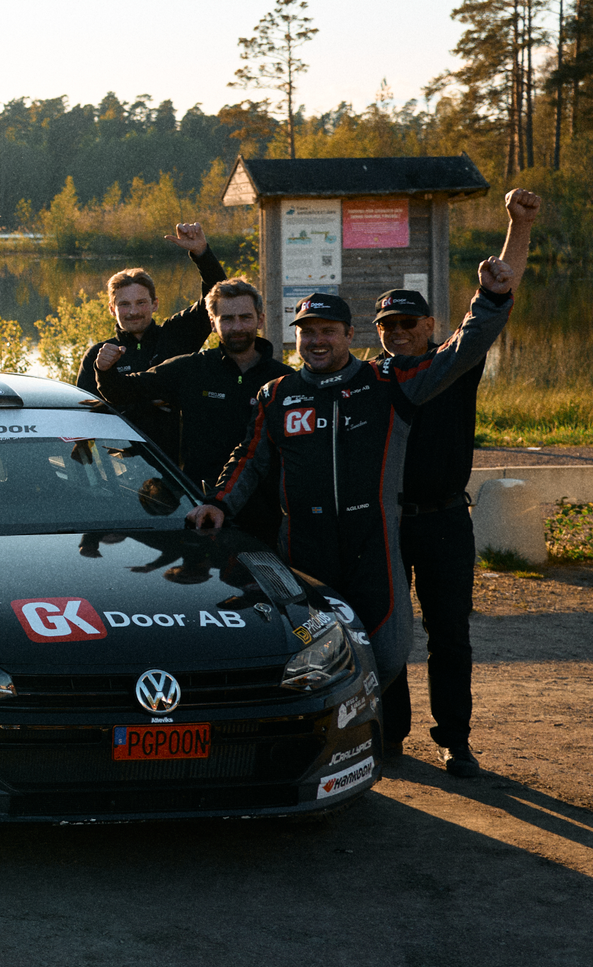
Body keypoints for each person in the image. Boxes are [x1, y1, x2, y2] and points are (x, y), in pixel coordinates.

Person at [192, 211, 528, 764]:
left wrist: (490, 299)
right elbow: (248, 459)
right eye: (307, 332)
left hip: (374, 541)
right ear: (295, 337)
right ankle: (349, 743)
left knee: (388, 649)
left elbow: (461, 351)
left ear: (351, 336)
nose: (317, 341)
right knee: (311, 648)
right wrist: (218, 503)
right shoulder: (278, 394)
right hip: (305, 547)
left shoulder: (387, 382)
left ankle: (421, 737)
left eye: (328, 331)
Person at [379, 189, 538, 778]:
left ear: (430, 325)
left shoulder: (454, 365)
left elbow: (495, 297)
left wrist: (518, 225)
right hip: (387, 522)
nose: (399, 332)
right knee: (387, 633)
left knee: (449, 636)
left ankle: (455, 740)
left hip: (446, 521)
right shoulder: (368, 381)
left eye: (409, 323)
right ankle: (390, 735)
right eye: (388, 324)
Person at [93, 278, 292, 546]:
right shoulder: (191, 369)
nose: (237, 327)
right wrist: (105, 370)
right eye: (227, 319)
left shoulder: (284, 380)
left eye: (245, 317)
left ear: (260, 319)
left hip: (265, 515)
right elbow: (122, 391)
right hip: (199, 509)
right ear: (212, 323)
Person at [74, 223, 229, 453]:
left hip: (177, 464)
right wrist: (148, 403)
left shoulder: (177, 335)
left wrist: (201, 253)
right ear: (112, 309)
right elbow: (84, 416)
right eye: (124, 304)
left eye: (141, 303)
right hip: (122, 464)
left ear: (155, 304)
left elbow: (217, 296)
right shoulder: (99, 357)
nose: (133, 311)